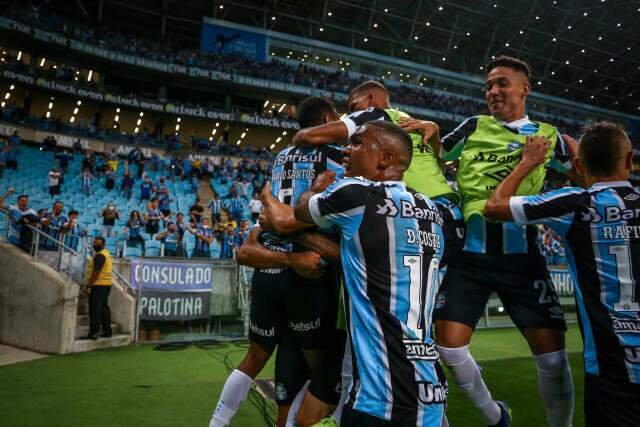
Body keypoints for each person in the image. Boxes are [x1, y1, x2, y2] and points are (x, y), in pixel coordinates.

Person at [432, 56, 578, 427]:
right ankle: (496, 416)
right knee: (448, 346)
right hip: (471, 257)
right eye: (488, 86)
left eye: (501, 84)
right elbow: (433, 156)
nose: (493, 92)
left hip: (523, 258)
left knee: (553, 359)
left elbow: (582, 163)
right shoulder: (471, 126)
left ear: (524, 88)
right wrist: (427, 130)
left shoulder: (547, 135)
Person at [272, 121, 448, 426]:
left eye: (356, 143)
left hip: (380, 399)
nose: (344, 150)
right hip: (431, 390)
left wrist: (314, 190)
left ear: (385, 159)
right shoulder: (432, 211)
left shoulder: (354, 194)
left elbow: (297, 214)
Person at [483, 122, 640, 426]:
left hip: (612, 369)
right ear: (630, 159)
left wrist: (528, 162)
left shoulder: (575, 204)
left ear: (580, 164)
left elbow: (495, 206)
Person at [210, 96, 346, 427]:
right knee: (319, 370)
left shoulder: (282, 156)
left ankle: (217, 422)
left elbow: (268, 217)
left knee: (257, 355)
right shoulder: (336, 158)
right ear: (328, 118)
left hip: (269, 265)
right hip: (308, 268)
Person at [80, 236, 113, 340]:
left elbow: (96, 272)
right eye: (94, 243)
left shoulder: (100, 255)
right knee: (104, 308)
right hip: (106, 284)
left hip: (98, 284)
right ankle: (107, 331)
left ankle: (93, 333)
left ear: (102, 245)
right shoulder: (106, 253)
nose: (95, 245)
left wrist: (89, 285)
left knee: (95, 309)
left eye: (97, 243)